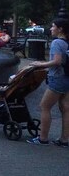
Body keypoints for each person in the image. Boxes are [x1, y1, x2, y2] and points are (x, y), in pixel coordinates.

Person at [27, 18, 69, 147]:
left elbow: (57, 61)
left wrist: (39, 64)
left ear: (60, 29)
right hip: (67, 77)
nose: (51, 29)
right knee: (66, 108)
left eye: (53, 26)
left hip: (57, 78)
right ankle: (65, 140)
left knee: (44, 107)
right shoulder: (67, 42)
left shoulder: (57, 42)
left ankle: (43, 138)